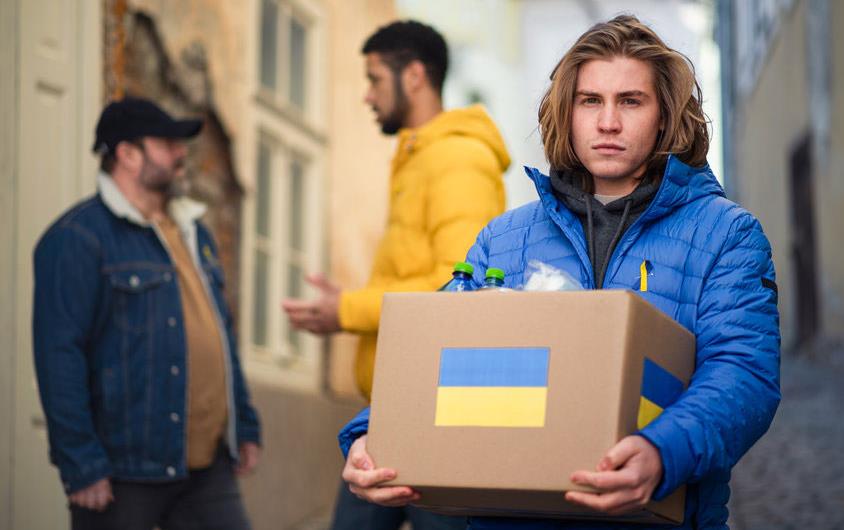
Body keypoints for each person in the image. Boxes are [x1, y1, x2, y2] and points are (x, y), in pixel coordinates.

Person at [337, 15, 781, 530]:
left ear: (664, 116)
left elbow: (743, 374)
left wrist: (661, 454)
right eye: (590, 101)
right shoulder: (503, 239)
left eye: (630, 101)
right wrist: (371, 437)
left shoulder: (726, 234)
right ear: (566, 113)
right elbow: (432, 354)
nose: (608, 122)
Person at [282, 19, 510, 530]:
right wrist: (352, 301)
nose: (366, 95)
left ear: (413, 77)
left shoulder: (457, 160)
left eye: (374, 79)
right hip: (395, 409)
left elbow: (456, 285)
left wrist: (346, 310)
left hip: (437, 415)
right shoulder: (417, 156)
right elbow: (418, 273)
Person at [33, 97, 261, 530]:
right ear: (127, 153)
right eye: (167, 143)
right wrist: (81, 463)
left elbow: (221, 334)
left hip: (207, 465)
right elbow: (58, 356)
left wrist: (244, 425)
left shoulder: (195, 232)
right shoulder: (77, 238)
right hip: (124, 471)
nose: (182, 154)